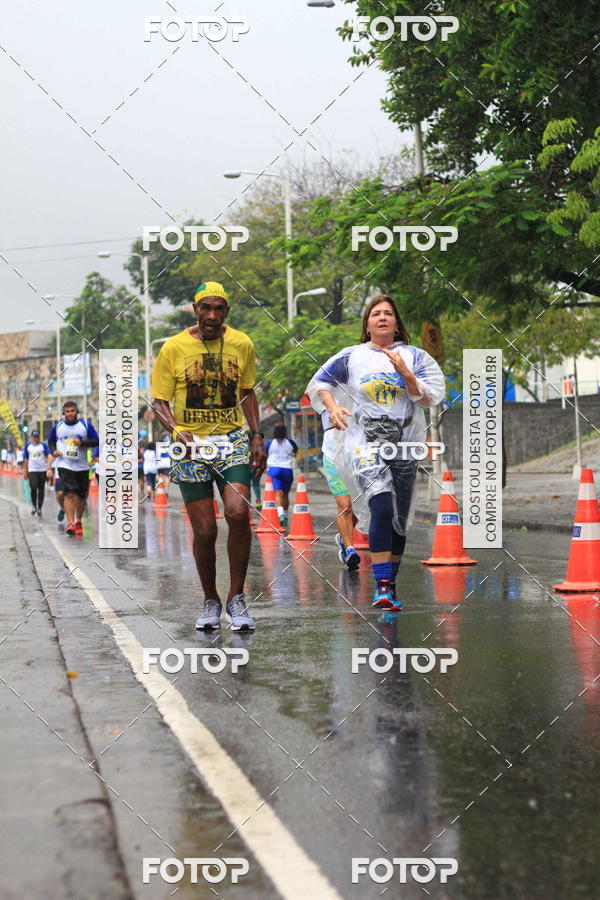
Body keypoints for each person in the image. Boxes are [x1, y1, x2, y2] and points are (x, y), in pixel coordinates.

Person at [307, 294, 445, 610]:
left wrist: (406, 374)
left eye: (388, 313)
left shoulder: (416, 356)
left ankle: (390, 584)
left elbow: (430, 398)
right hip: (364, 445)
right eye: (375, 314)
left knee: (398, 519)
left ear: (396, 325)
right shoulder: (351, 356)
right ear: (367, 325)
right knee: (381, 506)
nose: (382, 317)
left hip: (404, 445)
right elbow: (319, 384)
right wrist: (332, 406)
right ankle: (382, 585)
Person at [152, 281, 267, 631]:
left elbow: (247, 392)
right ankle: (210, 600)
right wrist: (176, 430)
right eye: (206, 308)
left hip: (231, 439)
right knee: (204, 531)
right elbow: (159, 401)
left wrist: (257, 436)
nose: (212, 316)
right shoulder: (173, 348)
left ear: (227, 312)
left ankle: (237, 597)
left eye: (219, 309)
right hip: (190, 445)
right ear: (195, 310)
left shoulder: (242, 343)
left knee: (238, 512)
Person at [47, 401, 99, 537]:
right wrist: (54, 451)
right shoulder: (58, 427)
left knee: (81, 497)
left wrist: (82, 443)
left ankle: (78, 521)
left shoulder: (85, 425)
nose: (70, 414)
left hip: (82, 466)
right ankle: (70, 523)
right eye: (67, 411)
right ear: (63, 413)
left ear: (77, 412)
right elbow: (50, 441)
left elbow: (96, 441)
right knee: (69, 494)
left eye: (72, 411)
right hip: (65, 465)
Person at [321, 413, 360, 570]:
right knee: (345, 506)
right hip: (333, 456)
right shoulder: (324, 398)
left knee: (361, 508)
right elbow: (314, 397)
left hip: (359, 455)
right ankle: (349, 550)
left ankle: (343, 538)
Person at [265, 423, 298, 527]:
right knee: (286, 494)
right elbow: (295, 450)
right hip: (287, 470)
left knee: (278, 494)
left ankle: (281, 516)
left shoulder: (270, 443)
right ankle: (286, 516)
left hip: (274, 469)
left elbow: (265, 453)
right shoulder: (290, 442)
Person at [23, 430, 52, 516]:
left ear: (39, 437)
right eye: (34, 437)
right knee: (33, 487)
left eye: (37, 436)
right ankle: (34, 506)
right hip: (32, 470)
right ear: (32, 437)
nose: (36, 438)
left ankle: (39, 508)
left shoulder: (43, 446)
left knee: (41, 489)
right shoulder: (28, 446)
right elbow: (26, 459)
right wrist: (25, 472)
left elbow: (48, 456)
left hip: (42, 470)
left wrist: (48, 468)